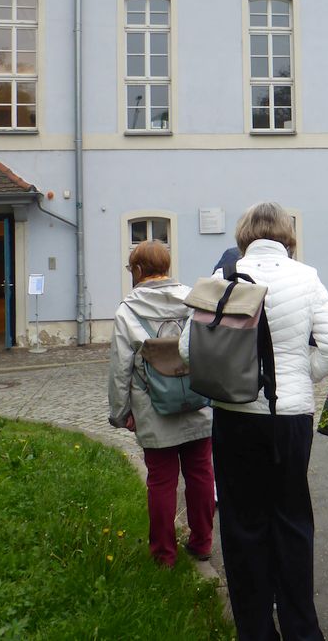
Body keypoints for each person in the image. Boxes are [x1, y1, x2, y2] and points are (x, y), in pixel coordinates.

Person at [193, 202, 328, 641]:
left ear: (243, 236)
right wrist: (302, 374)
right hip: (290, 417)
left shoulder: (222, 279)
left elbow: (189, 351)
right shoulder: (306, 276)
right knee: (292, 519)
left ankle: (256, 630)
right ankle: (302, 629)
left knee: (243, 525)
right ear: (287, 237)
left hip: (236, 415)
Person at [108, 240, 214, 568]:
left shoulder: (128, 310)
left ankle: (164, 555)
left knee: (161, 480)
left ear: (138, 270)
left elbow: (120, 368)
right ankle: (202, 542)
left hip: (152, 406)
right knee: (200, 473)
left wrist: (121, 413)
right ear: (167, 266)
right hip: (197, 398)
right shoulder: (195, 300)